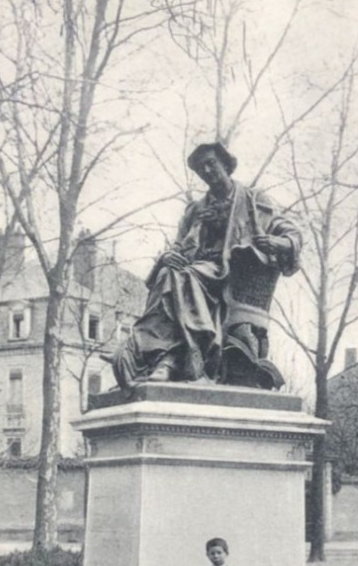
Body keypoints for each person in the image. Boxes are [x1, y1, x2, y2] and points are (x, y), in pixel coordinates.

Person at [112, 141, 301, 393]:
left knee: (184, 278)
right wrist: (168, 256)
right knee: (168, 273)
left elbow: (291, 233)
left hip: (233, 274)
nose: (208, 171)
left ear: (225, 163)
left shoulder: (253, 200)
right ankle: (167, 356)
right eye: (201, 169)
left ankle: (186, 354)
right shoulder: (196, 210)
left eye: (211, 164)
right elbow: (178, 246)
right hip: (196, 268)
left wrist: (276, 241)